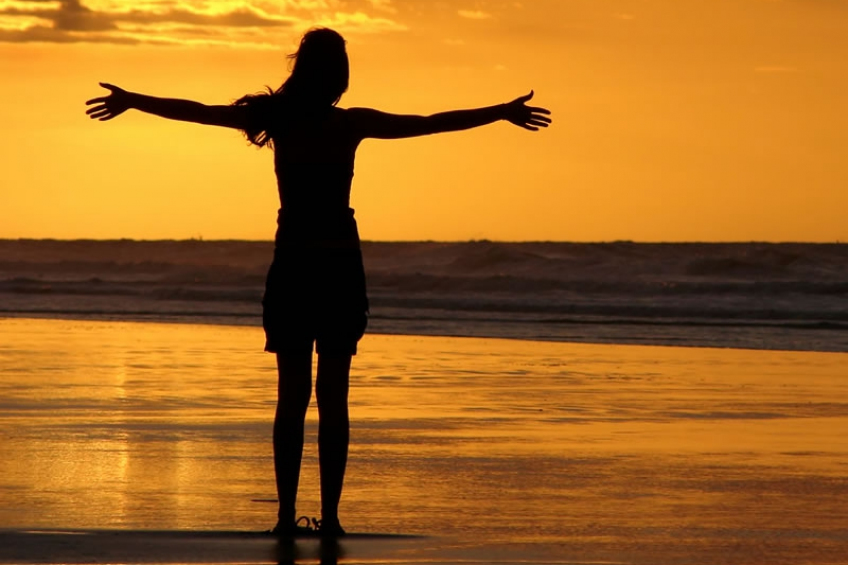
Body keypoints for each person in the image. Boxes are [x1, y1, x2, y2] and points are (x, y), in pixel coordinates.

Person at [85, 27, 551, 537]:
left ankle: (287, 518)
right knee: (332, 398)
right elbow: (430, 124)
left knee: (293, 397)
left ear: (299, 68)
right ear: (339, 75)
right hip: (337, 267)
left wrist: (133, 100)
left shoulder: (275, 118)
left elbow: (198, 110)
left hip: (294, 266)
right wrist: (499, 112)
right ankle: (329, 519)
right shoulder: (347, 124)